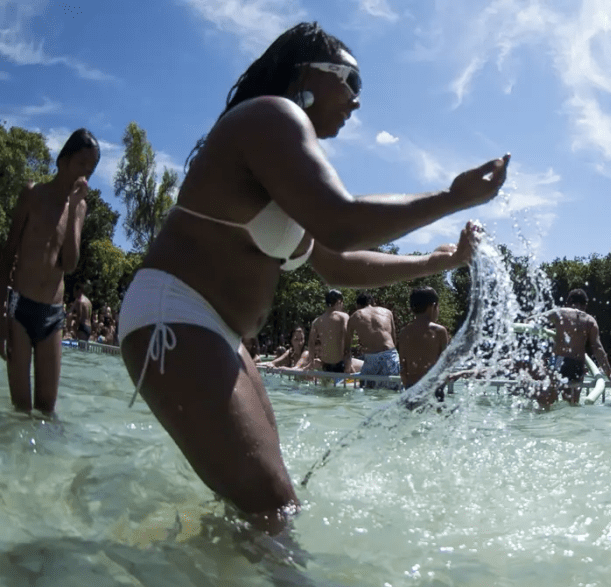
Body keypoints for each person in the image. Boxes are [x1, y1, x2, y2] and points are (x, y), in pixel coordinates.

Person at [116, 22, 509, 534]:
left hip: (218, 333)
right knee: (270, 508)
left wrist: (441, 262)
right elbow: (341, 221)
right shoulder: (270, 116)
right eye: (350, 81)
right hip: (176, 315)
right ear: (306, 72)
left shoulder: (286, 159)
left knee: (270, 506)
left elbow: (339, 263)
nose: (357, 100)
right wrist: (451, 199)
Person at [0, 129, 99, 415]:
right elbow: (6, 255)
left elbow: (69, 265)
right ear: (64, 160)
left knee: (47, 411)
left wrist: (74, 211)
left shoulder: (79, 208)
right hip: (20, 307)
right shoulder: (33, 195)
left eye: (91, 170)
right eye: (81, 164)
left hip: (53, 314)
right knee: (22, 410)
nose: (85, 174)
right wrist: (1, 313)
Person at [535, 288, 611, 404]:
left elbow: (533, 320)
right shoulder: (589, 320)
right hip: (576, 363)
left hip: (557, 360)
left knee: (548, 399)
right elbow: (597, 348)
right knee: (571, 405)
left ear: (567, 303)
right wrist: (610, 374)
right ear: (585, 305)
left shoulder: (559, 312)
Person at [398, 287, 449, 399]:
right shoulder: (439, 331)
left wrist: (407, 385)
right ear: (433, 306)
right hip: (433, 387)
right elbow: (445, 362)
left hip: (411, 387)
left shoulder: (404, 332)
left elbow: (402, 365)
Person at [345, 292, 401, 390]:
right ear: (373, 302)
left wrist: (348, 366)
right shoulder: (387, 312)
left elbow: (347, 346)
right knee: (393, 390)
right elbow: (394, 338)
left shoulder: (355, 316)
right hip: (390, 354)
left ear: (358, 305)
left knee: (365, 388)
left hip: (372, 358)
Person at [307, 289, 351, 374]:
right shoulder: (343, 317)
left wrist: (311, 362)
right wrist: (348, 363)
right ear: (339, 302)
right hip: (340, 363)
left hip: (325, 364)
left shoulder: (317, 321)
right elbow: (347, 339)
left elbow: (311, 343)